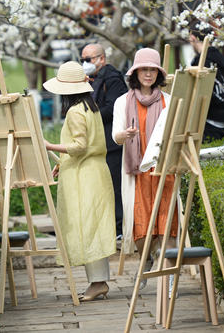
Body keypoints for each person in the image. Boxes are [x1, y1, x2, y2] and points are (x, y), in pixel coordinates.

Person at [43, 61, 116, 302]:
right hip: (94, 170)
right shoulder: (90, 107)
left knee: (86, 228)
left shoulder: (75, 111)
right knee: (94, 226)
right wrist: (61, 161)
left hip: (84, 176)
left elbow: (79, 146)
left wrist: (49, 146)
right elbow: (85, 145)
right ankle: (99, 282)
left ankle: (97, 283)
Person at [112, 48, 176, 282]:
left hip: (163, 169)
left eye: (152, 70)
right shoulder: (123, 102)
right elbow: (115, 136)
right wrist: (125, 135)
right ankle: (146, 256)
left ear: (158, 74)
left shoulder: (169, 101)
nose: (148, 74)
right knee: (139, 219)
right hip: (136, 170)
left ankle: (167, 273)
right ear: (135, 73)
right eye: (143, 70)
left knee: (167, 218)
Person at [81, 43, 128, 238]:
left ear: (102, 58)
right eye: (82, 59)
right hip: (98, 142)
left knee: (115, 187)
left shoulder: (113, 79)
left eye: (88, 59)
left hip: (113, 142)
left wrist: (89, 116)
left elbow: (113, 109)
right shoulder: (91, 79)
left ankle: (119, 227)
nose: (85, 63)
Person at [188, 29, 224, 143]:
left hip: (208, 119)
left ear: (194, 39)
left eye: (190, 40)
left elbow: (197, 93)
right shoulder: (220, 57)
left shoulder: (201, 62)